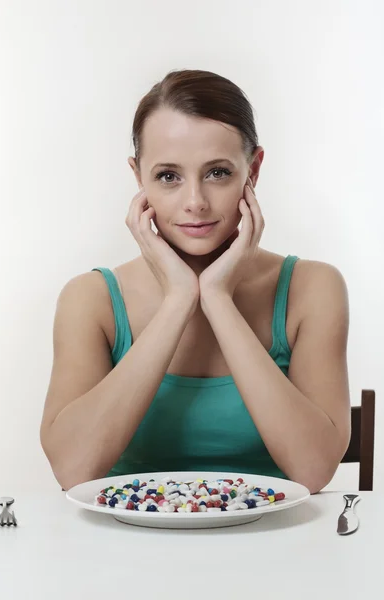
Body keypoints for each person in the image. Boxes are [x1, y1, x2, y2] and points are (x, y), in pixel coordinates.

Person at [40, 69, 351, 494]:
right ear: (139, 177)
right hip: (121, 552)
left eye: (218, 172)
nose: (195, 203)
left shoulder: (311, 289)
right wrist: (179, 299)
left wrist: (218, 298)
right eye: (168, 176)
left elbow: (313, 471)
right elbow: (73, 470)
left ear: (253, 170)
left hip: (276, 549)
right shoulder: (91, 299)